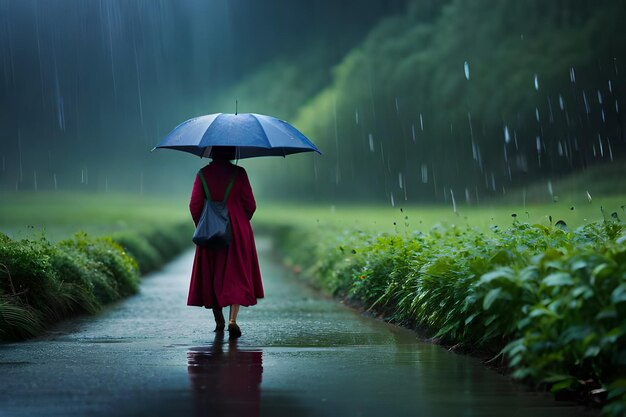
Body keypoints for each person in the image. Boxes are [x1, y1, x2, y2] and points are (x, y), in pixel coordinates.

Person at [187, 146, 264, 339]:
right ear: (231, 153)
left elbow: (194, 205)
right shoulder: (239, 173)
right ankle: (232, 320)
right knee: (235, 274)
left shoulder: (203, 174)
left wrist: (205, 226)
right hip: (237, 230)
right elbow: (251, 205)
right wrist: (239, 220)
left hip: (210, 231)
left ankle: (218, 319)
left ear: (212, 153)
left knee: (213, 274)